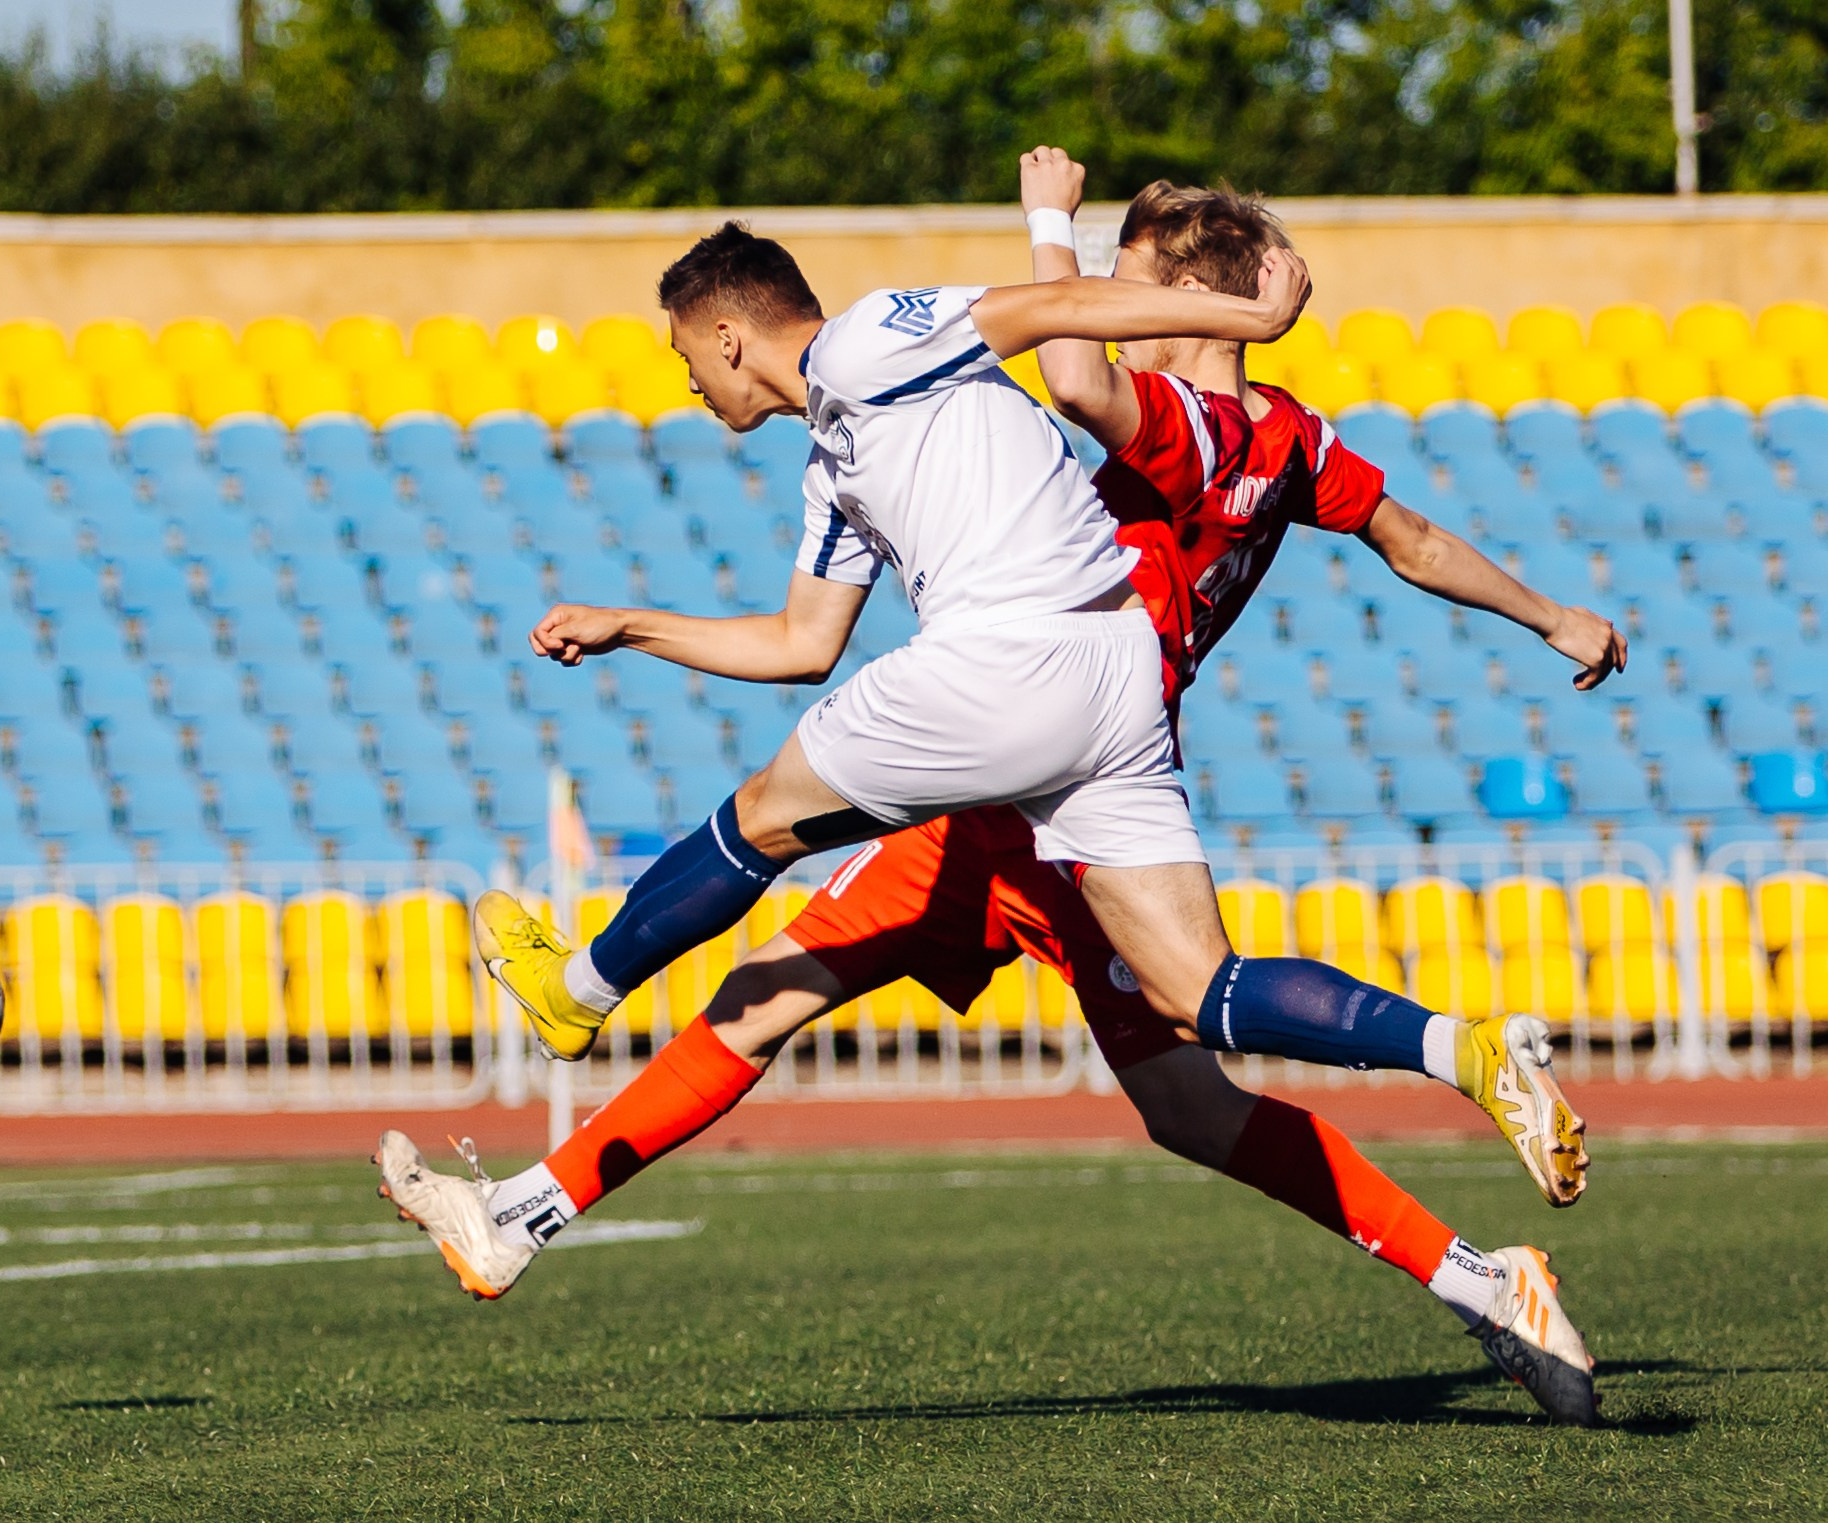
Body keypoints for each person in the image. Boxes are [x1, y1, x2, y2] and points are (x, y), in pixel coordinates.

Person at [376, 153, 1627, 1427]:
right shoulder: (1292, 445)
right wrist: (1552, 616)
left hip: (1003, 771)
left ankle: (566, 1031)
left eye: (1126, 276)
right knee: (1193, 1090)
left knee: (765, 972)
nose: (1101, 287)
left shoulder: (1161, 417)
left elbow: (1067, 351)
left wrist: (1055, 226)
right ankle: (1483, 1265)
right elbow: (1403, 536)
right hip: (1104, 753)